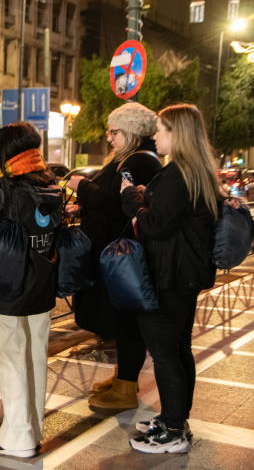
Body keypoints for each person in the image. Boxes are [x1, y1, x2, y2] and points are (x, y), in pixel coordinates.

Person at [121, 104, 220, 453]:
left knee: (165, 353)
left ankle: (173, 431)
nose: (156, 135)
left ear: (177, 134)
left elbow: (155, 224)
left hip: (168, 275)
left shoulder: (179, 175)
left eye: (161, 129)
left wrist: (130, 198)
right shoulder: (195, 172)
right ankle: (174, 418)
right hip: (183, 275)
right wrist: (146, 197)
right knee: (177, 349)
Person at [0, 122, 63, 458]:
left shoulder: (5, 189)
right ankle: (32, 428)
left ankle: (18, 438)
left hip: (8, 288)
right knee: (35, 358)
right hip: (41, 284)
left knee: (10, 360)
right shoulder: (50, 184)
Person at [66, 102, 162, 410]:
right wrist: (83, 207)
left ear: (131, 131)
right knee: (122, 320)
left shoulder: (140, 160)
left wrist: (82, 187)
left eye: (114, 132)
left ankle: (126, 387)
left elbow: (116, 203)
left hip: (123, 256)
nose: (109, 138)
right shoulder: (132, 158)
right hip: (116, 253)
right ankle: (123, 379)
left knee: (127, 321)